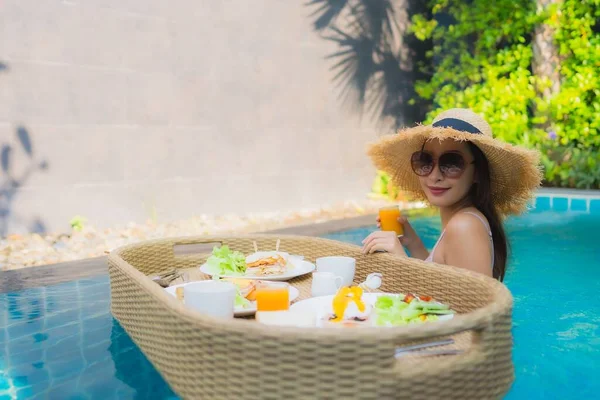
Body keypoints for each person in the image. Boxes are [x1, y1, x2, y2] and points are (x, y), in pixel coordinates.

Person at [361, 108, 542, 281]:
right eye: (425, 160)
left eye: (452, 163)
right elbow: (444, 287)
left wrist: (401, 261)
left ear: (477, 172)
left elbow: (476, 310)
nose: (434, 176)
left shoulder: (464, 226)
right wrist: (412, 242)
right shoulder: (463, 220)